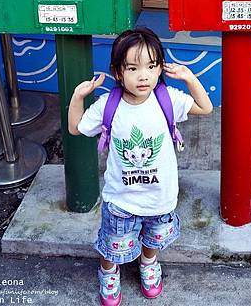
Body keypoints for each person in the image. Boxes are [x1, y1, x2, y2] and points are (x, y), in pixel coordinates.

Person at [68, 27, 213, 305]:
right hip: (121, 200)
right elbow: (76, 128)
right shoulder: (107, 105)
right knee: (112, 246)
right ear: (118, 72)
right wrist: (78, 96)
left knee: (153, 241)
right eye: (132, 68)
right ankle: (108, 273)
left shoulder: (167, 98)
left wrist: (189, 78)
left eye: (151, 66)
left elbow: (204, 108)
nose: (143, 75)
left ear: (160, 67)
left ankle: (148, 265)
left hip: (161, 198)